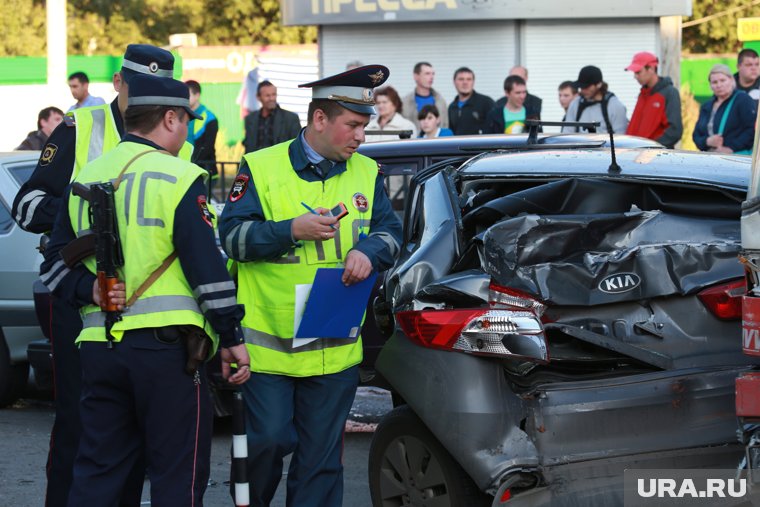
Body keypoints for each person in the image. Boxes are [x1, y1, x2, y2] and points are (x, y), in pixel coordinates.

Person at [38, 73, 250, 506]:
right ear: (170, 118)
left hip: (99, 349)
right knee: (177, 476)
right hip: (166, 355)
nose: (187, 131)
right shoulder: (181, 176)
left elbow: (53, 267)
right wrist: (231, 337)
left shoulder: (90, 175)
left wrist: (90, 291)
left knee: (99, 475)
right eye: (186, 121)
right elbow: (207, 272)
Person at [219, 64, 402, 507]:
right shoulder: (261, 168)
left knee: (321, 463)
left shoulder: (368, 172)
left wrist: (369, 252)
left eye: (365, 126)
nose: (361, 136)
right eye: (353, 125)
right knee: (266, 445)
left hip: (332, 347)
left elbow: (391, 232)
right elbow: (231, 239)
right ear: (319, 119)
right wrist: (289, 230)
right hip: (270, 352)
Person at [12, 44, 187, 507]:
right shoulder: (81, 127)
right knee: (80, 423)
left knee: (135, 433)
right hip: (81, 297)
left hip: (150, 306)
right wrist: (90, 207)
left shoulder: (176, 136)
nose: (147, 97)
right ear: (118, 85)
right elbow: (26, 206)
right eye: (138, 87)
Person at [693, 64, 757, 154]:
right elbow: (696, 135)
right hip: (709, 157)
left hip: (735, 158)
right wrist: (707, 141)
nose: (719, 85)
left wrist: (731, 148)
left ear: (731, 80)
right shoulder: (706, 106)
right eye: (714, 82)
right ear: (710, 85)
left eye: (722, 80)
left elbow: (751, 130)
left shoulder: (743, 100)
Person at [624, 51, 683, 148]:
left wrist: (651, 148)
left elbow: (675, 131)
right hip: (636, 155)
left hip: (655, 158)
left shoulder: (669, 93)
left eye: (638, 72)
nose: (635, 76)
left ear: (651, 69)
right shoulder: (643, 94)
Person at [562, 65, 628, 135]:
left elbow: (621, 137)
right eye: (581, 87)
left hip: (606, 146)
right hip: (580, 145)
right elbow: (567, 133)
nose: (583, 90)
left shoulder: (615, 106)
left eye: (586, 87)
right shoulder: (575, 104)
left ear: (599, 84)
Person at [242, 80, 302, 153]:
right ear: (258, 97)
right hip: (256, 163)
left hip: (280, 163)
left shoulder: (290, 118)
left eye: (274, 94)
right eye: (267, 95)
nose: (271, 98)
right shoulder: (250, 119)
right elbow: (248, 147)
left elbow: (297, 147)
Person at [185, 79, 218, 178]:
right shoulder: (181, 115)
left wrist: (194, 161)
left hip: (204, 170)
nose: (185, 98)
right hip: (186, 170)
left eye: (188, 95)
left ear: (197, 95)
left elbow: (208, 146)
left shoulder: (209, 118)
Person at [401, 61, 449, 129]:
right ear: (416, 76)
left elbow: (445, 125)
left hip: (436, 139)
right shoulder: (405, 102)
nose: (431, 77)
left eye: (433, 74)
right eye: (427, 74)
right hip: (413, 139)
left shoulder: (440, 101)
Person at [447, 67, 494, 135]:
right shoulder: (452, 107)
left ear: (473, 82)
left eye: (469, 79)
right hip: (458, 145)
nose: (465, 82)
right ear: (454, 82)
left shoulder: (486, 103)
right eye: (461, 79)